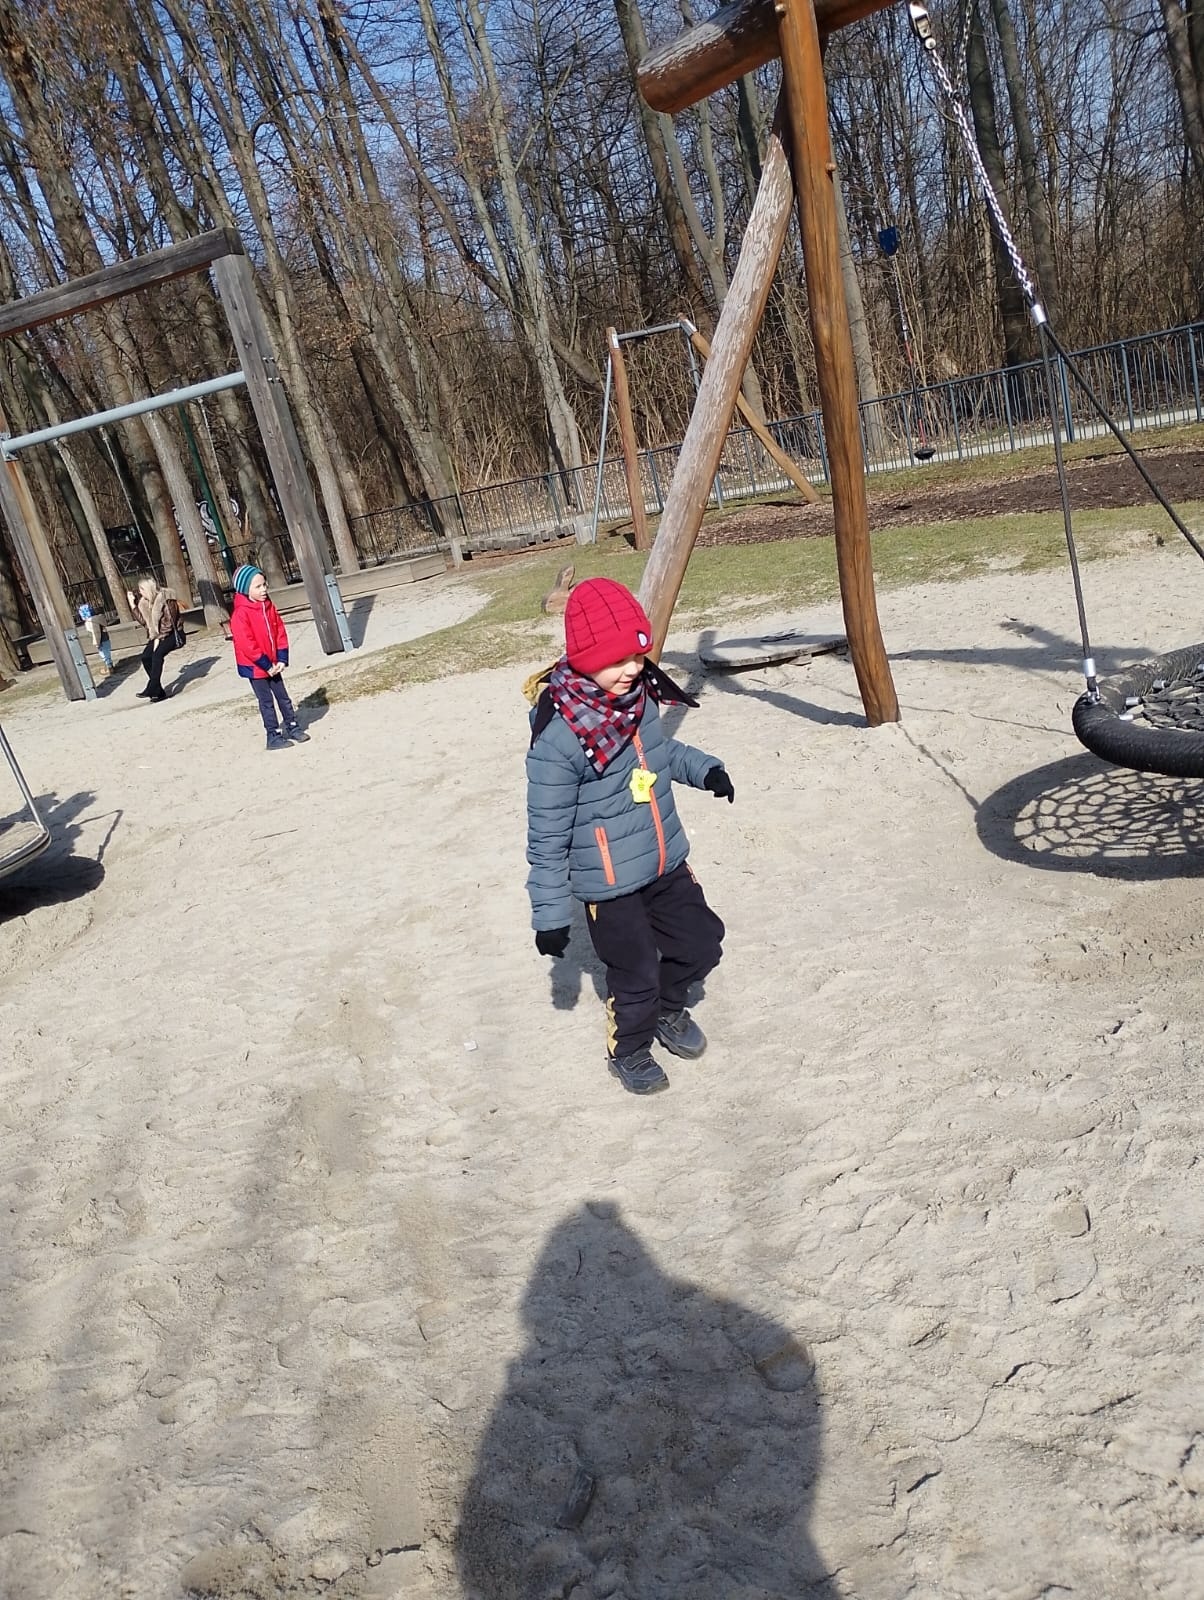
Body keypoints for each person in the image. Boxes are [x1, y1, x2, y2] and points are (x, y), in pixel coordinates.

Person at [525, 577, 734, 1096]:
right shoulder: (560, 739)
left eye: (637, 656)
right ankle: (630, 1050)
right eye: (617, 661)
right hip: (610, 882)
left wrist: (704, 769)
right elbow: (546, 835)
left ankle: (668, 1008)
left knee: (702, 943)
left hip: (663, 860)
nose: (632, 669)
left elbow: (659, 752)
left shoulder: (638, 700)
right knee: (635, 973)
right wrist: (550, 916)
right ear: (584, 661)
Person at [229, 564, 310, 751]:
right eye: (257, 586)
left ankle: (293, 726)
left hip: (273, 663)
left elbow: (279, 630)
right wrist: (266, 665)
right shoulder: (240, 614)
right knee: (266, 702)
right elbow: (247, 644)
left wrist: (281, 658)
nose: (263, 589)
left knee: (283, 697)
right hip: (257, 667)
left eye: (264, 584)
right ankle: (273, 735)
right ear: (245, 589)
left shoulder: (268, 606)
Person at [128, 575, 183, 702]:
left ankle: (151, 687)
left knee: (157, 655)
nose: (139, 593)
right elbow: (145, 623)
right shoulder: (145, 603)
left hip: (173, 634)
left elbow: (170, 622)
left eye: (141, 589)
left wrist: (159, 639)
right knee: (146, 657)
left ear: (147, 589)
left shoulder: (166, 599)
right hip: (157, 635)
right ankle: (158, 692)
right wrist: (133, 605)